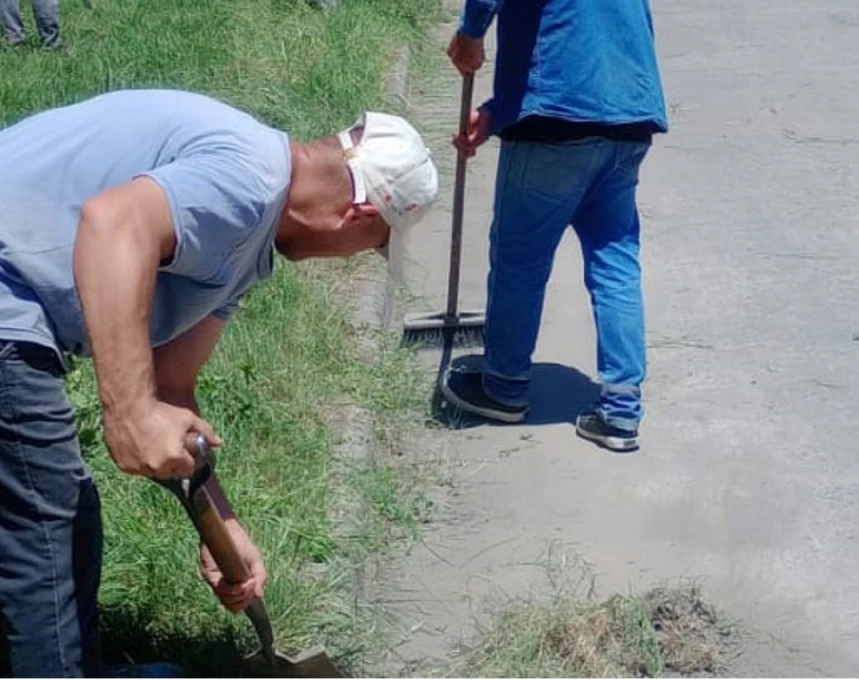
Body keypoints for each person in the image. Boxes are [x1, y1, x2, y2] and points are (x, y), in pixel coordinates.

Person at [0, 88, 437, 677]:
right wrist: (128, 411)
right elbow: (112, 224)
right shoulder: (248, 182)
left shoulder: (250, 245)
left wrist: (223, 524)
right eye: (372, 247)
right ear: (356, 217)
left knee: (60, 511)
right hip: (10, 297)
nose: (354, 259)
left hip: (18, 303)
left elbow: (173, 382)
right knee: (46, 512)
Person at [437, 0, 669, 452]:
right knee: (614, 259)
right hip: (629, 115)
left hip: (556, 117)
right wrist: (500, 108)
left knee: (519, 258)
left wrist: (470, 34)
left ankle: (503, 387)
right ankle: (622, 412)